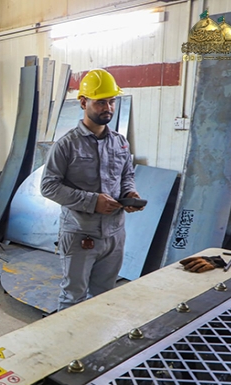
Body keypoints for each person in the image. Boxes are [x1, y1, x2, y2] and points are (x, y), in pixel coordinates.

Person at [41, 68, 144, 311]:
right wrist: (92, 201)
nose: (108, 108)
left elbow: (127, 175)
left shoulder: (120, 142)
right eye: (100, 102)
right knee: (73, 297)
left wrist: (129, 193)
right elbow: (48, 186)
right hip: (80, 234)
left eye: (111, 101)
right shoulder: (66, 145)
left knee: (105, 296)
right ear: (83, 102)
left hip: (115, 234)